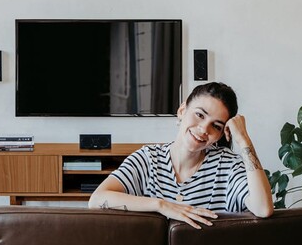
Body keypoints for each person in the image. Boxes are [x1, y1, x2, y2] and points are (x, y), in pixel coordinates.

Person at [88, 82, 274, 228]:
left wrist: (244, 140)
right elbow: (97, 200)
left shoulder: (228, 165)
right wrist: (161, 206)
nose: (203, 129)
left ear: (221, 133)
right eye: (200, 115)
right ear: (182, 110)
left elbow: (263, 209)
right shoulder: (147, 158)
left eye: (216, 126)